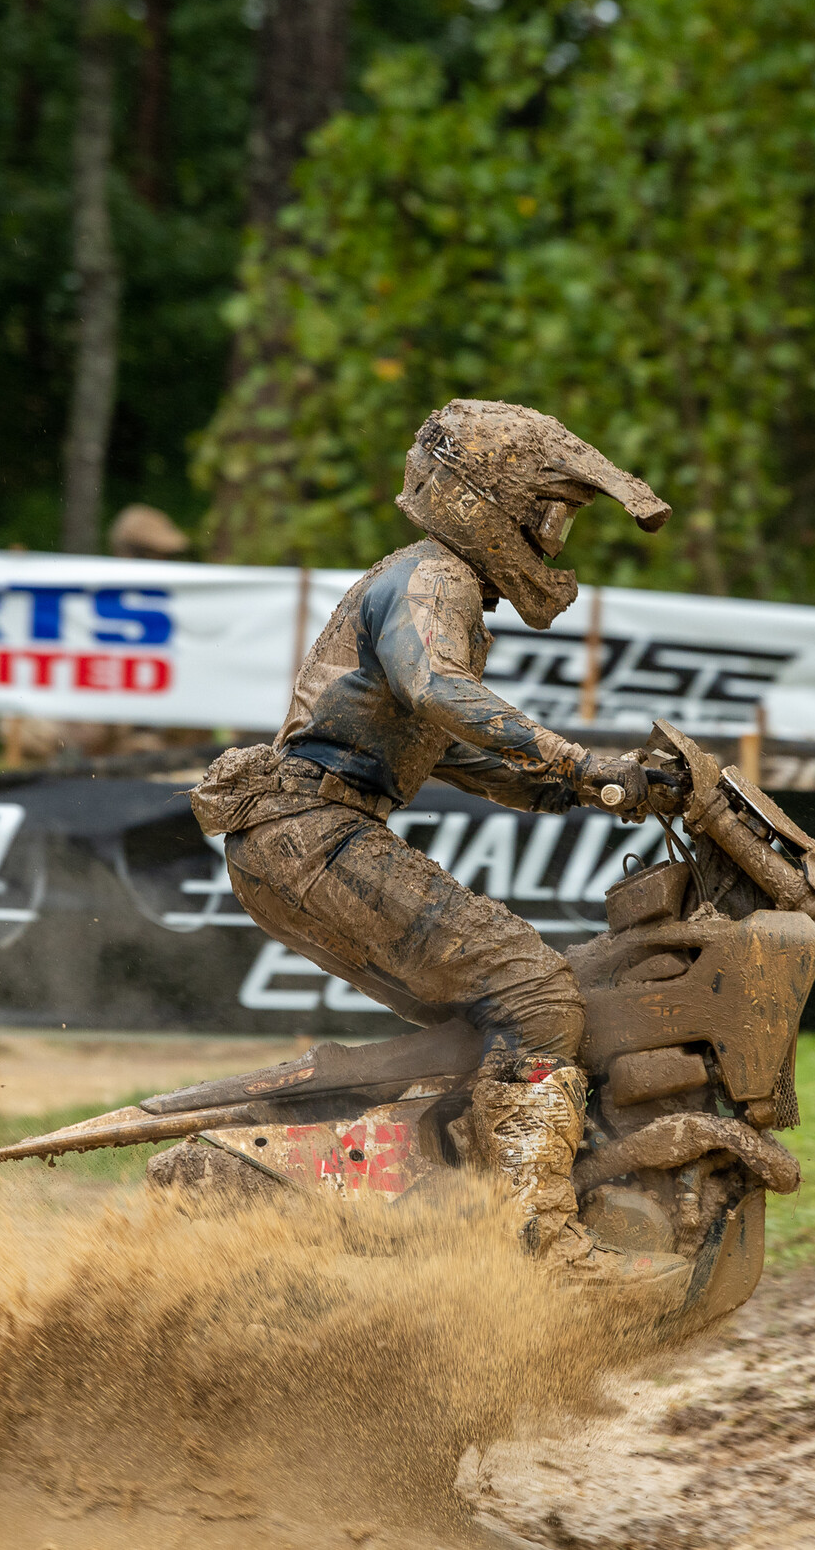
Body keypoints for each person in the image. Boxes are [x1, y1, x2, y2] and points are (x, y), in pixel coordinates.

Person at [190, 399, 683, 1285]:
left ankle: (387, 1203)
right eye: (546, 515)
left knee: (483, 1031)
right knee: (535, 1000)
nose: (553, 539)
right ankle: (544, 1248)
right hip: (312, 831)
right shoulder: (435, 577)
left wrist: (595, 782)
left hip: (294, 836)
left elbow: (445, 745)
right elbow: (438, 690)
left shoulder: (425, 577)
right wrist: (575, 755)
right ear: (485, 500)